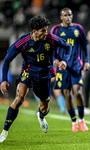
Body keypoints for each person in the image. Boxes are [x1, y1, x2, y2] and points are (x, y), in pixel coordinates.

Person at [0, 15, 72, 143]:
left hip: (44, 74)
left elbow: (68, 47)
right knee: (19, 98)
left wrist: (65, 61)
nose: (46, 33)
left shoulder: (50, 38)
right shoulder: (23, 41)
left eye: (46, 29)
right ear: (34, 31)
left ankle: (41, 116)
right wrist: (4, 80)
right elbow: (7, 60)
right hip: (28, 72)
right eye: (43, 30)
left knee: (45, 108)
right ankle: (4, 131)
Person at [50, 7, 90, 132]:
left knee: (77, 93)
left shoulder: (79, 28)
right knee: (67, 94)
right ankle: (73, 121)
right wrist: (54, 60)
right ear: (61, 17)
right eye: (65, 15)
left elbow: (85, 46)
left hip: (76, 65)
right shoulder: (56, 30)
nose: (68, 17)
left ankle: (82, 120)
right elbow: (51, 48)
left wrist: (87, 61)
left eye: (70, 15)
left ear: (72, 16)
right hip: (62, 67)